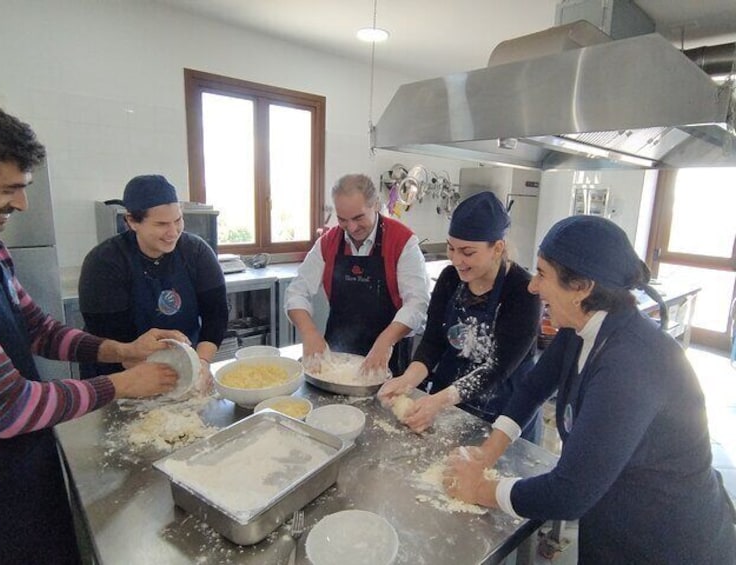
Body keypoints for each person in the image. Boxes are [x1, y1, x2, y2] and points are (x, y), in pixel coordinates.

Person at [0, 97, 183, 564]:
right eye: (8, 188)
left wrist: (120, 350)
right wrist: (125, 383)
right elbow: (7, 407)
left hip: (16, 466)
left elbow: (35, 328)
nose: (23, 203)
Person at [444, 215, 736, 564]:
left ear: (582, 287)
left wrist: (480, 489)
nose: (533, 287)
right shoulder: (580, 326)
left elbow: (569, 493)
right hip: (612, 514)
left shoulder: (632, 364)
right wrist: (487, 453)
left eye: (542, 274)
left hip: (666, 539)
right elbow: (532, 388)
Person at [378, 191, 542, 438]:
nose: (456, 260)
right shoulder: (449, 279)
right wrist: (409, 379)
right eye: (451, 248)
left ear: (497, 248)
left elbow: (497, 368)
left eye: (468, 252)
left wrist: (438, 401)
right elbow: (433, 342)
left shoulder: (523, 291)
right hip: (449, 403)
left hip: (502, 412)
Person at [79, 174, 228, 384]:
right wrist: (161, 379)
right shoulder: (104, 263)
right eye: (161, 224)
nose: (173, 232)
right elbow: (111, 340)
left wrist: (201, 362)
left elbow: (216, 316)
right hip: (118, 376)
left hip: (182, 365)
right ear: (131, 221)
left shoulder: (196, 252)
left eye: (178, 220)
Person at [284, 173, 430, 375]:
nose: (351, 228)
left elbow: (417, 302)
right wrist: (309, 332)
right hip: (337, 357)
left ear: (375, 205)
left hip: (389, 355)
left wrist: (385, 342)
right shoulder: (329, 242)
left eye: (358, 217)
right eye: (342, 219)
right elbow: (296, 292)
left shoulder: (402, 241)